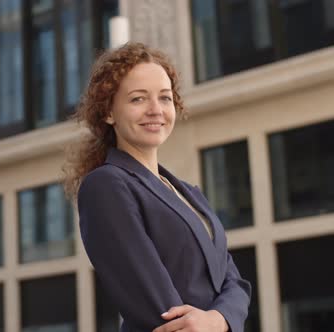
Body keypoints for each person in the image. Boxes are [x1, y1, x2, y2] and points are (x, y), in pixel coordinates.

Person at [63, 42, 251, 332]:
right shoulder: (106, 186)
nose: (155, 110)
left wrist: (216, 320)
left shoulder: (190, 193)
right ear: (108, 113)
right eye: (138, 99)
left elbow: (234, 282)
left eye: (165, 98)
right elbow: (158, 308)